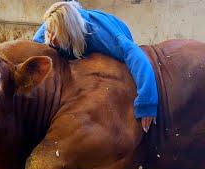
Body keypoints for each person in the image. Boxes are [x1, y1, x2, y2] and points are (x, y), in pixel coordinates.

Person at [33, 1, 158, 133]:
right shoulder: (50, 27)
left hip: (113, 28)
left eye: (55, 34)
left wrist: (147, 102)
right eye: (48, 31)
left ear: (69, 32)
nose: (50, 38)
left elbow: (135, 55)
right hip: (73, 32)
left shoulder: (103, 35)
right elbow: (35, 51)